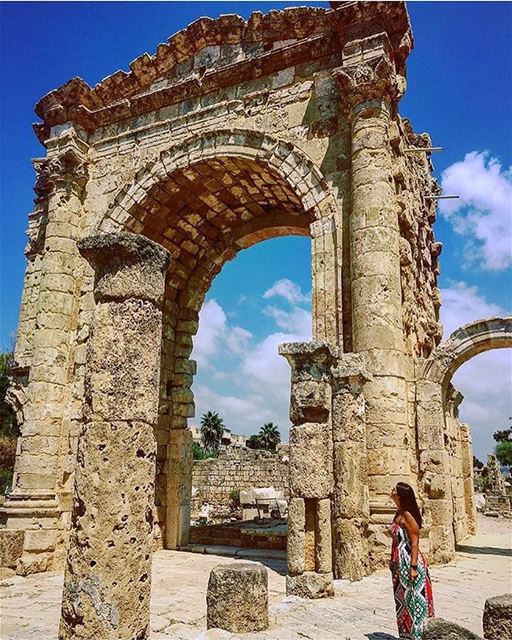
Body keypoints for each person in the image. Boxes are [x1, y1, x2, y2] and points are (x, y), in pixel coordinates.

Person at [389, 482, 435, 640]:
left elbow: (415, 542)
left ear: (400, 495)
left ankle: (419, 636)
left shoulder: (407, 515)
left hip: (410, 562)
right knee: (403, 600)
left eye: (395, 489)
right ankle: (406, 635)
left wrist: (413, 567)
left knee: (415, 601)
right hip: (399, 563)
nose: (392, 490)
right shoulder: (399, 512)